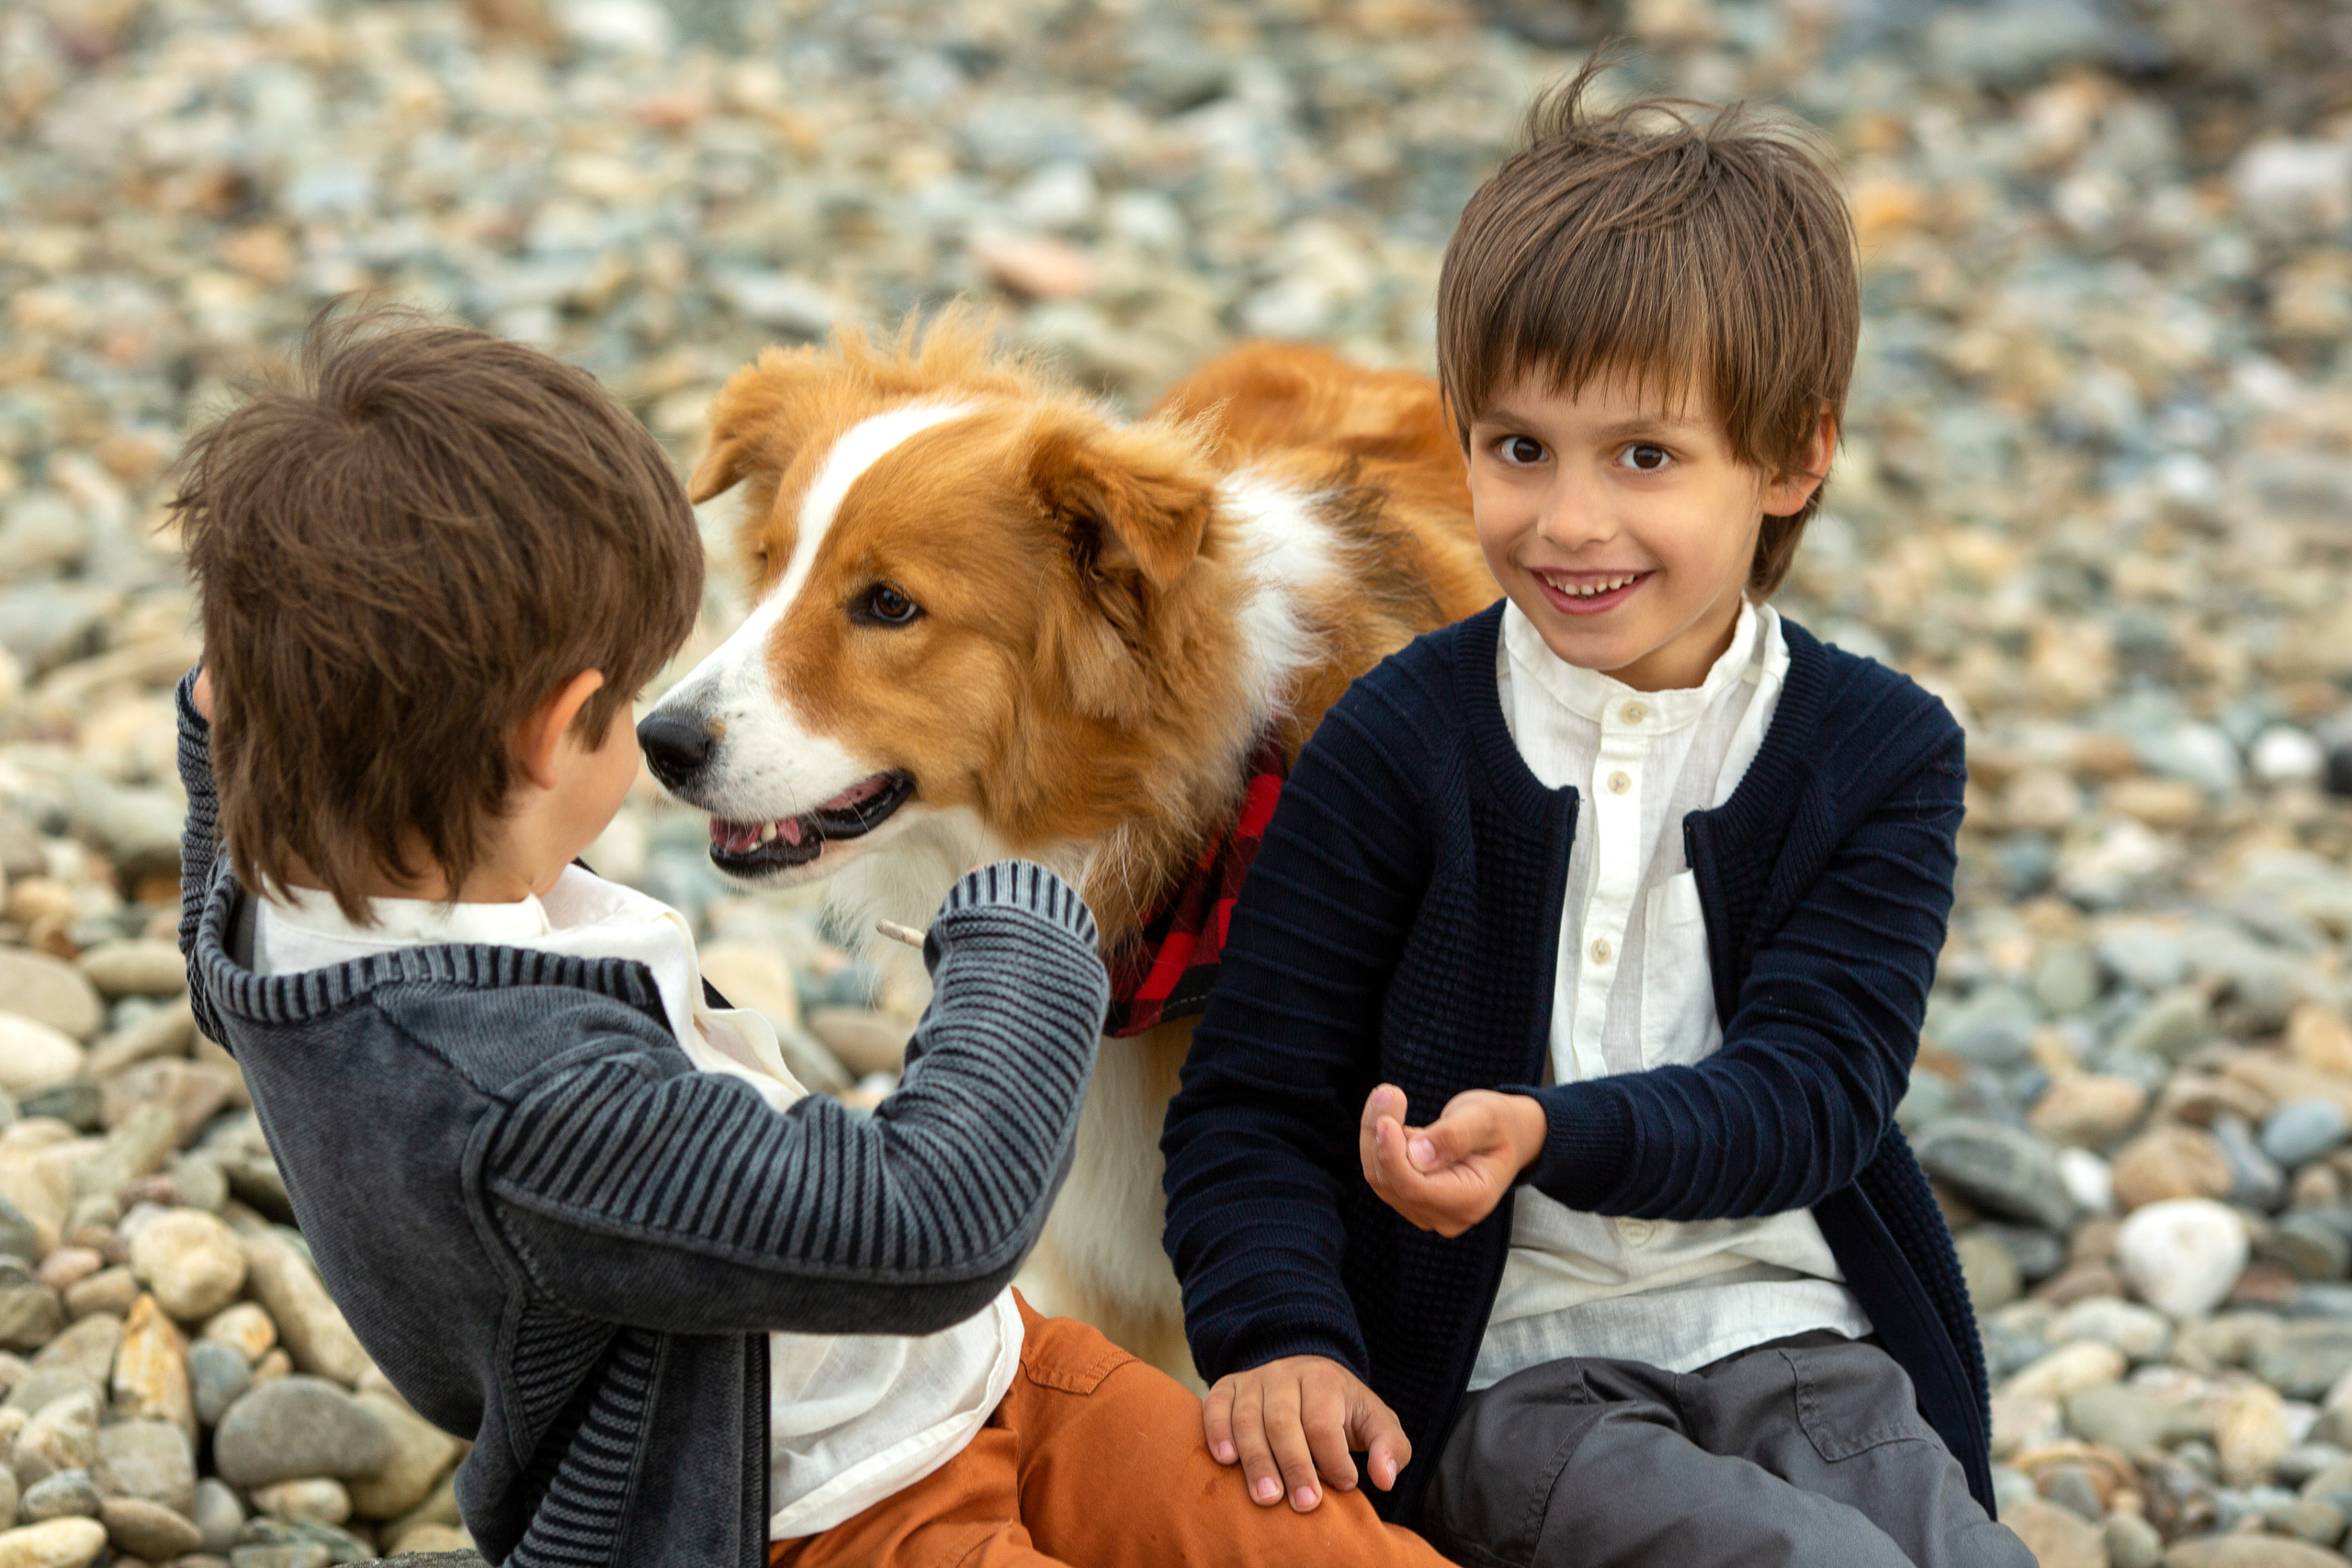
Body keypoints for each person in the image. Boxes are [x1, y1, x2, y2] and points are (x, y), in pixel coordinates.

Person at [172, 308, 1458, 1568]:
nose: (694, 706)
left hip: (991, 1369)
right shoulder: (532, 1097)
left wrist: (226, 736)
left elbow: (216, 866)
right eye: (630, 694)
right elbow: (926, 1224)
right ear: (554, 728)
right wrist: (1022, 927)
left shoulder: (285, 930)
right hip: (829, 1504)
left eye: (876, 604)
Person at [1160, 66, 2031, 1568]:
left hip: (1801, 1336)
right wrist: (1282, 1336)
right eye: (1517, 449)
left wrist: (1554, 1130)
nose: (1567, 522)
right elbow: (1252, 1101)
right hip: (1510, 1367)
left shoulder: (1880, 751)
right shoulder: (1401, 737)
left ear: (1792, 458)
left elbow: (1815, 1094)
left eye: (1644, 456)